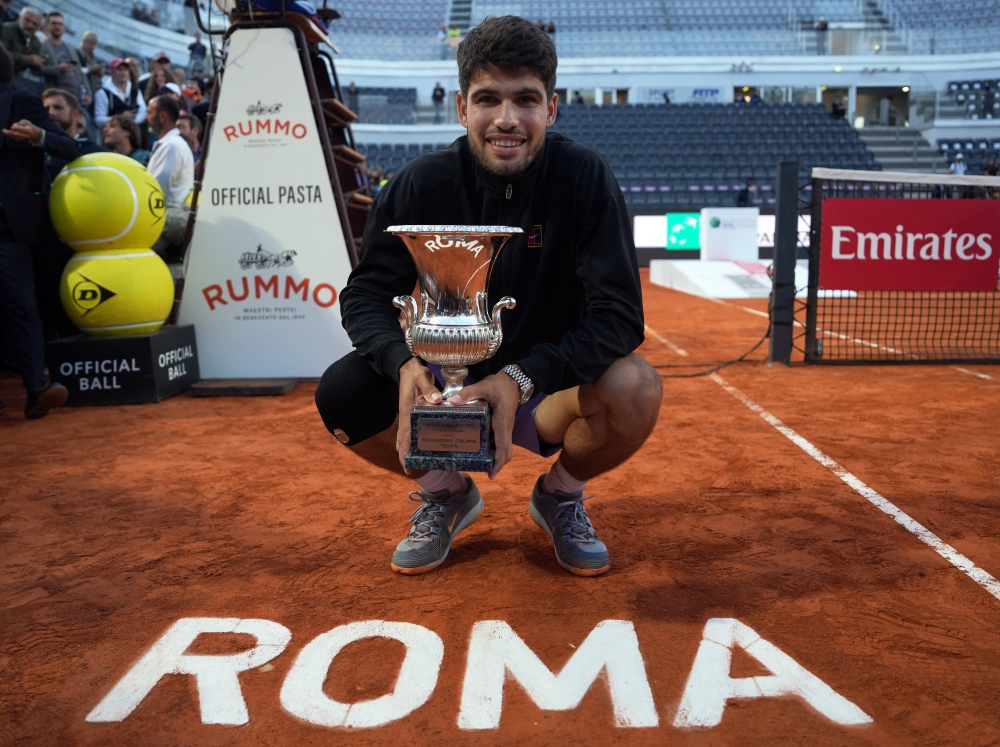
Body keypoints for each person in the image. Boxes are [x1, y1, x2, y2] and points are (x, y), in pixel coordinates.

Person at [314, 15, 660, 578]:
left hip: (546, 392)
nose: (506, 120)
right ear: (460, 108)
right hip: (445, 391)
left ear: (551, 107)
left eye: (525, 99)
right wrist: (403, 366)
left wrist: (520, 377)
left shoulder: (583, 178)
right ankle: (447, 492)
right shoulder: (419, 185)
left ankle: (561, 494)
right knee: (343, 391)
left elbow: (619, 317)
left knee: (635, 386)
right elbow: (364, 297)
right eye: (487, 99)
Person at [0, 44, 75, 418]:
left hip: (7, 229)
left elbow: (71, 147)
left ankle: (35, 391)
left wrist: (37, 137)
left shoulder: (23, 101)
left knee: (22, 308)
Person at [146, 95, 193, 257]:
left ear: (162, 116)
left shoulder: (172, 146)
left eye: (149, 112)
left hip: (166, 226)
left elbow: (156, 191)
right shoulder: (170, 144)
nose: (146, 117)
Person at [41, 87, 104, 179]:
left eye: (58, 107)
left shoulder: (96, 153)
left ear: (76, 115)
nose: (51, 112)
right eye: (46, 109)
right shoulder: (37, 149)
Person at [38, 13, 90, 106]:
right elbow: (37, 70)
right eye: (54, 23)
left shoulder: (70, 49)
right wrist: (58, 69)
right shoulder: (43, 46)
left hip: (75, 98)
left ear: (64, 27)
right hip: (55, 97)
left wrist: (89, 93)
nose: (57, 26)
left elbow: (80, 72)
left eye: (60, 24)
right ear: (47, 25)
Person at [94, 57, 146, 128]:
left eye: (125, 69)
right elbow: (99, 120)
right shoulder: (102, 93)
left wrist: (134, 120)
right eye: (119, 69)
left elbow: (143, 110)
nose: (123, 72)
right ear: (112, 72)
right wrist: (121, 118)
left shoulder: (135, 90)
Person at [1, 7, 45, 89]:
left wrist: (39, 64)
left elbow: (35, 71)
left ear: (39, 28)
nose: (30, 25)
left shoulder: (36, 42)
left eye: (35, 24)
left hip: (14, 79)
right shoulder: (7, 29)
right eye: (27, 20)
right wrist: (27, 59)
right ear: (19, 18)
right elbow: (2, 54)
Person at [77, 31, 103, 100]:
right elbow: (77, 71)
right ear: (84, 41)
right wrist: (91, 69)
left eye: (94, 45)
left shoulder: (93, 57)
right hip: (82, 89)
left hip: (93, 90)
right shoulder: (78, 53)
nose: (92, 47)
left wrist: (99, 73)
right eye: (90, 44)